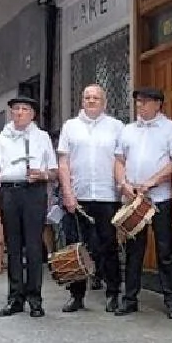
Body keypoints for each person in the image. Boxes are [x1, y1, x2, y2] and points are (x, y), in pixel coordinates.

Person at [116, 87, 172, 318]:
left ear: (158, 104)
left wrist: (153, 181)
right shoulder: (128, 130)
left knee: (165, 250)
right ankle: (130, 298)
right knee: (134, 251)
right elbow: (119, 160)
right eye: (138, 102)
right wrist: (123, 183)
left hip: (160, 198)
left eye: (145, 102)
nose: (140, 106)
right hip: (134, 198)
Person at [55, 84, 125, 313]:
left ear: (104, 102)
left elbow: (120, 161)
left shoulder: (116, 127)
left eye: (96, 98)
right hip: (78, 195)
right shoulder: (70, 127)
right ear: (82, 101)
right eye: (87, 97)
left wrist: (123, 188)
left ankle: (113, 292)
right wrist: (67, 192)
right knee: (76, 247)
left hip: (107, 195)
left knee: (109, 246)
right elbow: (63, 163)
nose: (91, 101)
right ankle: (77, 296)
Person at [0, 94, 56, 317]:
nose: (19, 113)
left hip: (33, 192)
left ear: (32, 114)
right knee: (13, 246)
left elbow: (54, 171)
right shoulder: (2, 139)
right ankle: (15, 297)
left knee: (34, 246)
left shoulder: (42, 137)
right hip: (8, 191)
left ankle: (35, 298)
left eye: (24, 109)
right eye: (16, 109)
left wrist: (42, 174)